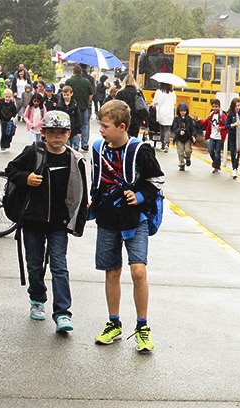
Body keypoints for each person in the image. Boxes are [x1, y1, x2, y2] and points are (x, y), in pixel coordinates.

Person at [90, 100, 164, 352]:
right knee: (112, 271)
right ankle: (114, 323)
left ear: (121, 127)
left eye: (105, 125)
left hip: (135, 220)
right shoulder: (98, 149)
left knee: (138, 271)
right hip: (108, 219)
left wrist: (139, 196)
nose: (100, 130)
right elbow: (96, 181)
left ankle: (142, 326)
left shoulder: (140, 150)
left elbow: (156, 181)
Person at [5, 111, 88, 333]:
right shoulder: (33, 153)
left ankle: (62, 313)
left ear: (69, 134)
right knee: (34, 264)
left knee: (59, 266)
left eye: (61, 133)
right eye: (52, 133)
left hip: (58, 225)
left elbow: (82, 194)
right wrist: (26, 178)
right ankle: (37, 299)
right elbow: (10, 170)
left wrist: (78, 224)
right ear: (43, 133)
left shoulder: (74, 159)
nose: (57, 138)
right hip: (32, 222)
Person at [65, 65, 94, 151]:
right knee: (85, 124)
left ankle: (75, 144)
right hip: (83, 106)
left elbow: (65, 91)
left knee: (74, 124)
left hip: (72, 106)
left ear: (73, 72)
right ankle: (85, 143)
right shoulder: (86, 81)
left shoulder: (69, 81)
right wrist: (88, 102)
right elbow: (91, 94)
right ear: (81, 73)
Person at [199, 98, 227, 174]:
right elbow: (205, 122)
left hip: (220, 137)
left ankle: (216, 167)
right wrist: (198, 120)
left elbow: (227, 125)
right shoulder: (211, 114)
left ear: (219, 107)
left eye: (216, 106)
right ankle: (216, 163)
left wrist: (222, 128)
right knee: (210, 150)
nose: (214, 108)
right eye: (213, 106)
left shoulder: (222, 115)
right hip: (212, 136)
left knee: (217, 152)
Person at [225, 97, 240, 179]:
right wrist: (233, 125)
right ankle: (233, 167)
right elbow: (227, 126)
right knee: (233, 152)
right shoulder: (230, 115)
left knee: (237, 152)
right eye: (236, 106)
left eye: (239, 105)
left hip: (239, 135)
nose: (238, 107)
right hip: (232, 136)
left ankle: (235, 168)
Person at [116, 74, 146, 138]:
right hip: (136, 118)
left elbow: (116, 107)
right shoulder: (138, 92)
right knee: (134, 138)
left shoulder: (120, 93)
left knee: (123, 137)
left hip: (123, 118)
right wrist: (143, 118)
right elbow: (142, 105)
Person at [171, 102, 196, 171]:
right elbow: (174, 127)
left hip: (187, 137)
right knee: (180, 151)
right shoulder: (176, 119)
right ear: (178, 111)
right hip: (179, 138)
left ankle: (188, 158)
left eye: (184, 111)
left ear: (186, 111)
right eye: (181, 111)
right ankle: (181, 164)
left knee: (188, 150)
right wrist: (179, 131)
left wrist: (193, 136)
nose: (182, 112)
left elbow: (193, 128)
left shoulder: (189, 119)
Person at [152, 82, 176, 153]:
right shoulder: (172, 93)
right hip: (169, 113)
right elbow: (174, 102)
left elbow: (155, 101)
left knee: (161, 128)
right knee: (167, 129)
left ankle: (162, 144)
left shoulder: (159, 92)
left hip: (161, 112)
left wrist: (153, 105)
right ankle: (166, 144)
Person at [57, 85, 82, 150]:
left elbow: (78, 117)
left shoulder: (75, 105)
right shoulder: (60, 104)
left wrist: (79, 130)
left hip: (71, 127)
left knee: (70, 142)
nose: (66, 97)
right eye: (64, 95)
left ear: (71, 94)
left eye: (67, 95)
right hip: (62, 127)